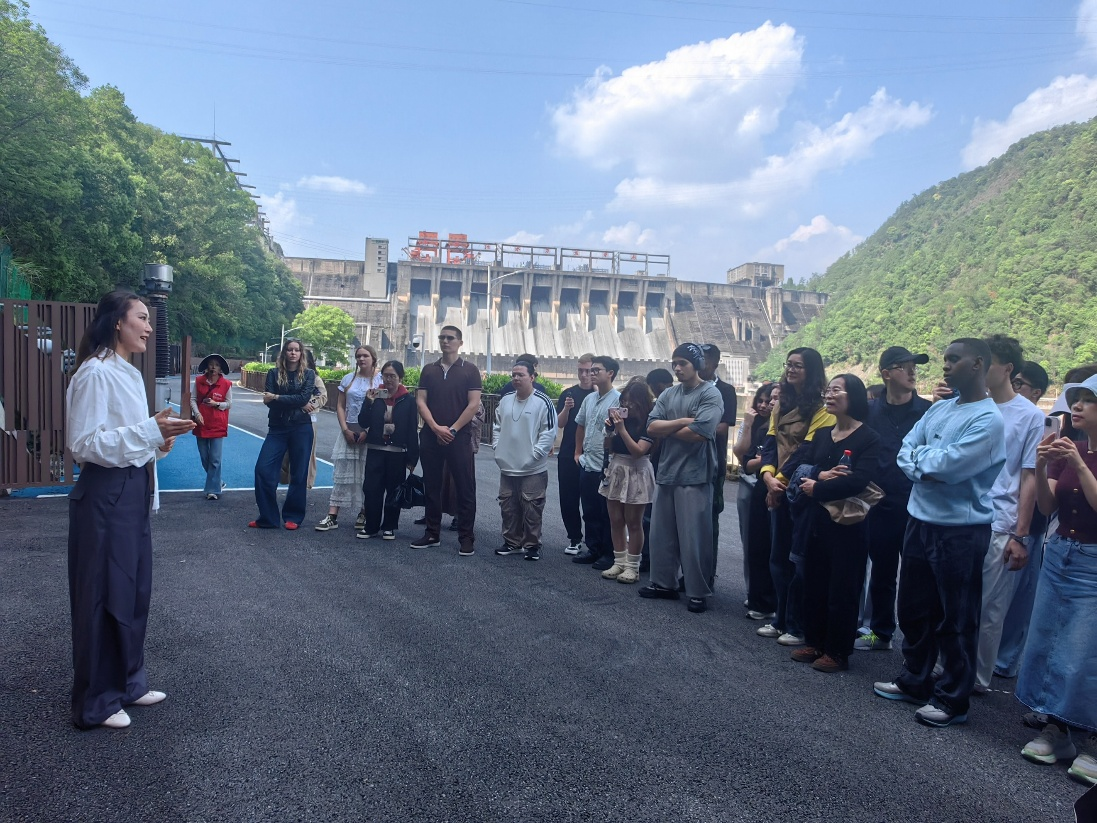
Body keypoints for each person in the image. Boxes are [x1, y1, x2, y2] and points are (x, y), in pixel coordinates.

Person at [66, 290, 195, 729]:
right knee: (104, 595)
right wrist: (149, 432)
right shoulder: (95, 373)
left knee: (134, 592)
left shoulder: (129, 373)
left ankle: (128, 682)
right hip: (106, 495)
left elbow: (129, 438)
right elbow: (84, 445)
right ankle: (97, 701)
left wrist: (158, 441)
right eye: (141, 318)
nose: (149, 327)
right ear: (117, 322)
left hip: (132, 491)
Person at [873, 338, 1005, 728]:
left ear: (977, 364)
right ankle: (914, 679)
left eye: (953, 359)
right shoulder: (940, 408)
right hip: (920, 520)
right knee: (913, 608)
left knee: (956, 617)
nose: (945, 366)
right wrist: (924, 465)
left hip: (960, 530)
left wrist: (922, 463)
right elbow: (905, 449)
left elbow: (949, 467)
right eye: (945, 359)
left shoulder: (988, 419)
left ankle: (953, 699)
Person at [1017, 373, 1097, 786]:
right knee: (1048, 639)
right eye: (1075, 399)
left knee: (1084, 650)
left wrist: (1079, 464)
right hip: (1060, 550)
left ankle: (1090, 737)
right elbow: (1048, 506)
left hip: (1093, 559)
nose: (1076, 407)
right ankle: (1057, 728)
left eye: (1088, 400)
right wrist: (1043, 462)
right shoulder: (1071, 449)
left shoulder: (1079, 456)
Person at [791, 374, 881, 672]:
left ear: (853, 396)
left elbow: (859, 480)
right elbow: (802, 466)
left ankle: (838, 651)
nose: (829, 395)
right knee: (814, 582)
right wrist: (819, 475)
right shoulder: (822, 434)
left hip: (848, 524)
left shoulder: (868, 437)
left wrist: (818, 487)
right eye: (828, 390)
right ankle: (814, 641)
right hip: (816, 520)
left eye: (837, 390)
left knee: (843, 587)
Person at [974, 335, 1044, 695]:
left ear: (1007, 369)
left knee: (990, 608)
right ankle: (945, 665)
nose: (981, 369)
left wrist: (1021, 534)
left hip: (1001, 522)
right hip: (963, 516)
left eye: (988, 362)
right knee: (953, 599)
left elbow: (1029, 477)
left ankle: (977, 678)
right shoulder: (973, 406)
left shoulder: (1031, 416)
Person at [856, 346, 932, 651]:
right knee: (882, 571)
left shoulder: (928, 411)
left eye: (914, 366)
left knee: (917, 577)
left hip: (918, 504)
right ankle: (881, 633)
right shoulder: (869, 411)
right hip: (879, 503)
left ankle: (916, 644)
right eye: (904, 367)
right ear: (886, 374)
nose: (912, 372)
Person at [639, 343, 723, 613]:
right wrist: (684, 421)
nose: (677, 368)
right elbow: (651, 427)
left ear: (696, 365)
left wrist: (668, 427)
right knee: (661, 535)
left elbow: (700, 432)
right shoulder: (669, 394)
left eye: (683, 363)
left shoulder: (710, 393)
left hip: (695, 475)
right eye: (674, 363)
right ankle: (664, 584)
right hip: (667, 472)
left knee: (694, 538)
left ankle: (698, 591)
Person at [758, 347, 833, 646]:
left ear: (811, 370)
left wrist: (778, 482)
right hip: (776, 484)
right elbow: (770, 442)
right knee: (778, 557)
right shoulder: (781, 402)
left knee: (798, 558)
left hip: (801, 489)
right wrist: (767, 475)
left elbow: (807, 451)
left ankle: (797, 624)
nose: (791, 370)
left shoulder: (821, 408)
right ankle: (780, 618)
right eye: (789, 364)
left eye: (798, 366)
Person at [995, 361, 1052, 679]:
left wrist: (1022, 532)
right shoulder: (997, 415)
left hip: (1030, 524)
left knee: (1019, 597)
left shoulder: (1039, 423)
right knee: (997, 596)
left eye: (1020, 383)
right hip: (1002, 518)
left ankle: (1004, 660)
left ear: (1036, 392)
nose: (1013, 388)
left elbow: (1032, 477)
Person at [411, 325, 482, 555]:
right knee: (431, 485)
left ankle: (466, 538)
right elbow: (421, 401)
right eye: (442, 337)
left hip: (459, 438)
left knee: (465, 487)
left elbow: (473, 404)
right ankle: (432, 533)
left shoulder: (470, 370)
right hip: (431, 436)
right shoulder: (429, 370)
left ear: (460, 343)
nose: (445, 341)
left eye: (450, 338)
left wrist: (451, 430)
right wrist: (435, 427)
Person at [492, 359, 558, 561]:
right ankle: (512, 542)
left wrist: (535, 455)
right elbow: (497, 427)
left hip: (533, 468)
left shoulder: (542, 401)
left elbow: (549, 432)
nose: (516, 378)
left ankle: (532, 545)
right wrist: (497, 449)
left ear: (532, 377)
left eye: (520, 375)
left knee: (532, 508)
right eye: (513, 375)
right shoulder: (505, 400)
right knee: (508, 506)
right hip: (507, 465)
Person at [251, 338, 316, 530]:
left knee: (299, 473)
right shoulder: (273, 373)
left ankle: (293, 517)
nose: (293, 353)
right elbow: (269, 401)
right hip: (277, 428)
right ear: (284, 353)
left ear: (301, 353)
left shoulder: (309, 374)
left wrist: (278, 397)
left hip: (301, 428)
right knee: (262, 469)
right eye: (289, 349)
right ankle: (268, 518)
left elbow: (303, 398)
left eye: (297, 350)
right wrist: (293, 401)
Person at [316, 345, 381, 532]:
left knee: (367, 475)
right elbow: (340, 406)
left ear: (373, 358)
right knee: (341, 474)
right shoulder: (348, 378)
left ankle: (364, 512)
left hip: (370, 434)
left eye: (365, 356)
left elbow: (382, 409)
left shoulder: (380, 380)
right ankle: (332, 515)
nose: (361, 359)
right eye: (358, 356)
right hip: (349, 431)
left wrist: (367, 431)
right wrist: (345, 429)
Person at [599, 376, 655, 584]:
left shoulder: (649, 423)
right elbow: (609, 448)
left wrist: (621, 430)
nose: (626, 406)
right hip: (617, 467)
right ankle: (619, 561)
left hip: (637, 470)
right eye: (623, 401)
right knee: (615, 519)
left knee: (633, 521)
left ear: (642, 403)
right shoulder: (621, 421)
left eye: (631, 402)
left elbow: (639, 451)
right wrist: (609, 431)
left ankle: (633, 566)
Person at [356, 360, 419, 540]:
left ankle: (389, 526)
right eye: (386, 376)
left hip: (397, 452)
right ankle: (371, 526)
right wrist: (368, 402)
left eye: (393, 376)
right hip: (375, 449)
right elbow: (363, 422)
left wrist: (412, 457)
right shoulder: (375, 396)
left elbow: (412, 429)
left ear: (400, 378)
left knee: (394, 490)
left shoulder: (408, 400)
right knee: (371, 489)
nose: (389, 380)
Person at [732, 383, 779, 620]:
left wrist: (761, 460)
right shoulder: (757, 426)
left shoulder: (781, 426)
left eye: (769, 400)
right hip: (751, 484)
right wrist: (748, 424)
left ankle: (771, 597)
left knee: (774, 545)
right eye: (760, 400)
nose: (764, 405)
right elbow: (742, 456)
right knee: (752, 541)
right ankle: (755, 592)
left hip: (772, 485)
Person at [572, 356, 622, 571]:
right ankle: (593, 548)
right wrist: (577, 452)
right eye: (591, 370)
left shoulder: (618, 400)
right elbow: (580, 425)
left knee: (608, 512)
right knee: (590, 509)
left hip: (606, 465)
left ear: (610, 373)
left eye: (596, 370)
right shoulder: (589, 399)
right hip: (587, 463)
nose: (591, 374)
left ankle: (609, 553)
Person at [699, 344, 738, 586]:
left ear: (714, 363)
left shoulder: (726, 391)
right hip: (687, 464)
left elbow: (723, 427)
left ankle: (707, 575)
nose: (699, 365)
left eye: (704, 360)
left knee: (709, 520)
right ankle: (687, 573)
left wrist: (693, 428)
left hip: (713, 464)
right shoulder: (687, 388)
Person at [556, 354, 595, 555]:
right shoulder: (568, 393)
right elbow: (560, 423)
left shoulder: (601, 395)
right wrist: (566, 408)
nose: (584, 375)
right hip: (568, 452)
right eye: (581, 370)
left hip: (594, 454)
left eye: (588, 370)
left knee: (593, 500)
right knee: (568, 498)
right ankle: (574, 538)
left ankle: (595, 541)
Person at [190, 353, 232, 500]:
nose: (214, 367)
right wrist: (196, 413)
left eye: (217, 365)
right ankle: (218, 482)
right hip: (201, 423)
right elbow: (193, 399)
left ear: (221, 369)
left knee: (215, 459)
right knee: (204, 457)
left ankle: (212, 490)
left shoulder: (226, 384)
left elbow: (229, 404)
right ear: (207, 366)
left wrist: (217, 404)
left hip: (218, 424)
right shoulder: (199, 381)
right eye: (211, 364)